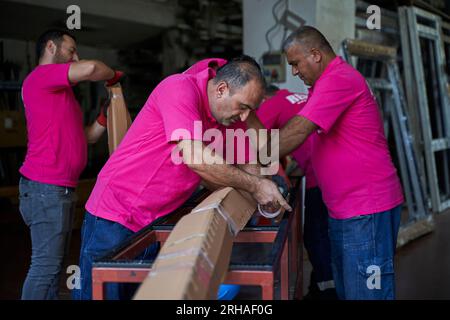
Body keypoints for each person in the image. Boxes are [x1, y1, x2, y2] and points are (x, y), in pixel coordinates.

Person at [72, 55, 291, 300]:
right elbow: (195, 157)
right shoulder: (178, 89)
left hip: (156, 220)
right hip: (116, 214)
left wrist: (267, 189)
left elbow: (250, 160)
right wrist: (256, 186)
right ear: (221, 89)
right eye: (243, 107)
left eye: (249, 111)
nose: (243, 117)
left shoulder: (227, 115)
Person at [278, 26, 404, 300]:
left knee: (367, 294)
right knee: (348, 291)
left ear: (315, 55)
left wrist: (251, 159)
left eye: (296, 64)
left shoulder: (338, 79)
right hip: (345, 210)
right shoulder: (322, 85)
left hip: (366, 209)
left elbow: (299, 130)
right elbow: (318, 139)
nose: (295, 72)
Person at [19, 29, 123, 300]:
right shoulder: (41, 77)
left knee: (52, 268)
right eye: (70, 50)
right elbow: (91, 67)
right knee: (44, 267)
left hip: (57, 190)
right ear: (51, 47)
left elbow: (86, 137)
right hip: (46, 189)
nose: (75, 57)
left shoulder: (62, 94)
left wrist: (102, 118)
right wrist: (112, 76)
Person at [256, 85, 337, 299]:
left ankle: (328, 292)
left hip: (318, 175)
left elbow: (251, 142)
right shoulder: (296, 97)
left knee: (315, 234)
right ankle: (318, 288)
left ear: (263, 97)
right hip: (335, 172)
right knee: (327, 232)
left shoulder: (271, 104)